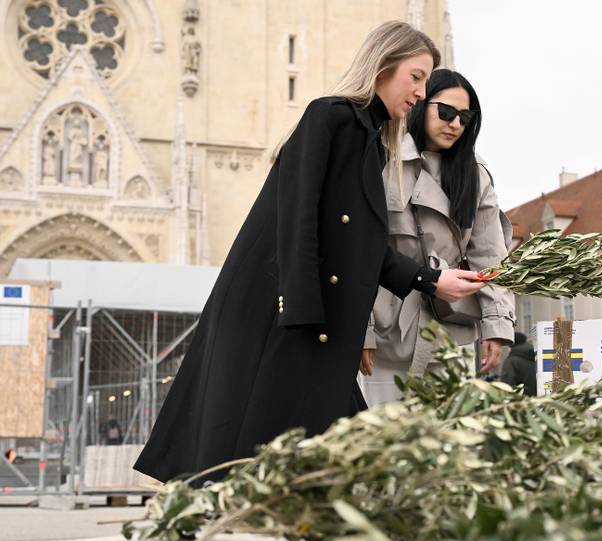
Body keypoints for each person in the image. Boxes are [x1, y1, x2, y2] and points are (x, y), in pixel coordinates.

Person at [134, 22, 484, 483]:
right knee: (254, 448)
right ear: (383, 65)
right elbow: (297, 215)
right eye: (416, 77)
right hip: (281, 314)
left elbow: (362, 246)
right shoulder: (330, 117)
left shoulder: (374, 145)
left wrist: (431, 280)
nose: (421, 93)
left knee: (316, 452)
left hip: (315, 317)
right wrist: (299, 314)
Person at [360, 69, 515, 406]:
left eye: (465, 117)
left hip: (450, 331)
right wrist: (362, 330)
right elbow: (358, 250)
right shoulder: (382, 158)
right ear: (420, 104)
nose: (455, 124)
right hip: (387, 333)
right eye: (445, 112)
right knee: (382, 433)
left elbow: (490, 256)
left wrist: (497, 326)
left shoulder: (475, 174)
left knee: (448, 434)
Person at [500, 332, 537, 396]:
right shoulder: (535, 355)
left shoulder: (511, 361)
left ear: (510, 346)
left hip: (521, 401)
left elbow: (507, 386)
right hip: (540, 399)